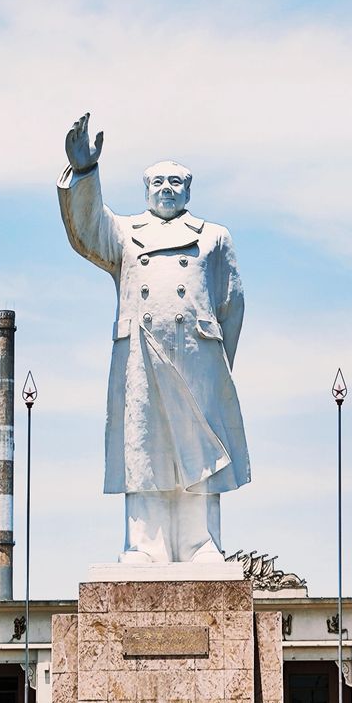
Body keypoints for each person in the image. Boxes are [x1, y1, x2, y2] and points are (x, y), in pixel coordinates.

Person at [58, 113, 250, 563]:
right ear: (146, 189)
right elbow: (86, 230)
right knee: (143, 446)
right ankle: (144, 545)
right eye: (158, 181)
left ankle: (199, 542)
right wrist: (85, 172)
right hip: (140, 356)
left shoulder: (214, 237)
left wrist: (217, 365)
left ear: (189, 189)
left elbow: (231, 305)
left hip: (196, 357)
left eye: (175, 182)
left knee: (199, 444)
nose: (166, 188)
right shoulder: (125, 233)